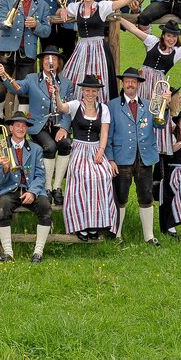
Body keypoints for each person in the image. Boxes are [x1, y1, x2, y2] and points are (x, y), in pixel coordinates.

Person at [118, 18, 181, 154]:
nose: (171, 39)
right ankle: (131, 138)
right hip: (143, 81)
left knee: (154, 113)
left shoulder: (177, 52)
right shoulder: (152, 41)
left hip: (158, 85)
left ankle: (153, 145)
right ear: (164, 35)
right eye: (169, 35)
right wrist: (119, 17)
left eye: (174, 36)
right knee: (136, 109)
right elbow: (134, 29)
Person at [0, 46, 74, 205]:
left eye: (53, 59)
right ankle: (46, 187)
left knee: (66, 144)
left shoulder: (66, 84)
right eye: (46, 59)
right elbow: (16, 87)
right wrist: (4, 76)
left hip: (57, 125)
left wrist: (64, 128)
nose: (50, 62)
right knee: (50, 146)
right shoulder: (32, 79)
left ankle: (57, 187)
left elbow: (68, 109)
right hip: (38, 126)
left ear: (58, 63)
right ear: (42, 62)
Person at [57, 0, 141, 103]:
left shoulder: (102, 6)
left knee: (100, 76)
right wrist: (62, 10)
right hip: (82, 47)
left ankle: (101, 107)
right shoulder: (76, 7)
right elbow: (60, 10)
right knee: (76, 76)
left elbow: (124, 1)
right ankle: (78, 106)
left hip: (99, 48)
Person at [54, 75, 117, 240]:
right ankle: (80, 225)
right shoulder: (75, 105)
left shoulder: (104, 109)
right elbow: (61, 108)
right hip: (79, 149)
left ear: (97, 92)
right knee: (82, 177)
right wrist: (57, 94)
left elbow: (104, 133)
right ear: (83, 91)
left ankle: (95, 223)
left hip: (96, 149)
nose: (90, 93)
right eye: (87, 90)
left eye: (93, 91)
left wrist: (101, 151)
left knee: (103, 176)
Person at [106, 68, 163, 246]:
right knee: (120, 196)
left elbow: (159, 125)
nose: (130, 84)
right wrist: (111, 159)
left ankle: (149, 236)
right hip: (122, 157)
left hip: (145, 156)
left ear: (138, 84)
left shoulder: (148, 104)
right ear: (123, 83)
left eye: (134, 81)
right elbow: (107, 135)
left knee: (146, 196)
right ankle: (117, 234)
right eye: (127, 81)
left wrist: (164, 106)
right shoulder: (112, 105)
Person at [0, 0, 52, 118]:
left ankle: (21, 120)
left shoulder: (42, 5)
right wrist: (8, 21)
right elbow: (0, 22)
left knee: (25, 90)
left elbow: (46, 31)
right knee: (0, 87)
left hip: (28, 51)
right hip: (7, 50)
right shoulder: (7, 0)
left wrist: (36, 26)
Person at [0, 113, 53, 263]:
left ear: (26, 129)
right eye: (17, 125)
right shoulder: (1, 148)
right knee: (2, 207)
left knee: (45, 207)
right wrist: (6, 168)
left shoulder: (35, 149)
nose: (21, 128)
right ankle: (8, 252)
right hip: (10, 190)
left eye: (24, 125)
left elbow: (40, 176)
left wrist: (32, 192)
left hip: (31, 188)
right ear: (11, 128)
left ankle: (38, 252)